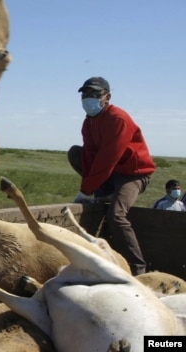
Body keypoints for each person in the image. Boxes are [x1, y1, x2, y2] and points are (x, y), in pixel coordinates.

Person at [67, 76, 156, 276]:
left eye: (94, 94)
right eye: (85, 94)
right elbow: (90, 156)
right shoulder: (88, 122)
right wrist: (87, 188)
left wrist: (86, 190)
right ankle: (104, 192)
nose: (88, 98)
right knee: (75, 153)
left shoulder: (118, 119)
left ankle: (138, 269)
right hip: (112, 173)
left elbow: (108, 157)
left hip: (133, 174)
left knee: (116, 215)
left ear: (107, 97)